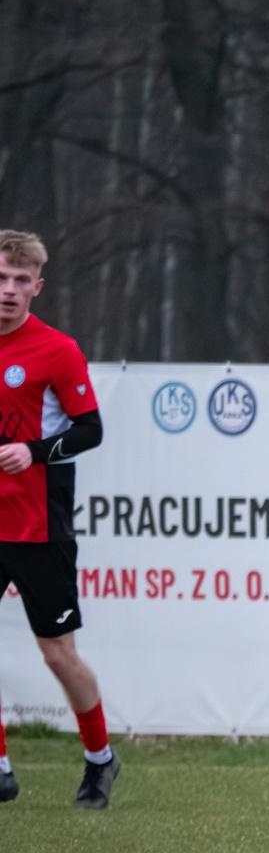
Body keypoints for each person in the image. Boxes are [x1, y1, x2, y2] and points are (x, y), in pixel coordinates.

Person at [0, 230, 117, 808]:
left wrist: (35, 451)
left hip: (38, 525)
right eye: (1, 278)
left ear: (37, 287)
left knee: (56, 654)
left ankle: (100, 759)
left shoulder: (56, 350)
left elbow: (91, 430)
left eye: (21, 281)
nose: (9, 290)